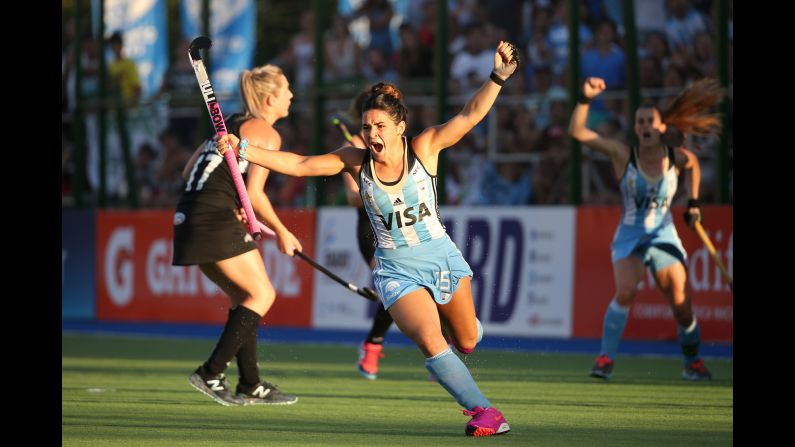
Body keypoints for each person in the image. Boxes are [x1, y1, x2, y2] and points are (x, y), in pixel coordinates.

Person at [219, 40, 520, 437]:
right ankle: (485, 411)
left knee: (465, 339)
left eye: (379, 126)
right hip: (396, 269)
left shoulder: (425, 147)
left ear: (399, 127)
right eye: (366, 127)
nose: (371, 133)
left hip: (441, 257)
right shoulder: (354, 160)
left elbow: (470, 114)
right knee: (431, 340)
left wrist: (498, 77)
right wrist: (243, 147)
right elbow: (299, 164)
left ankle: (464, 336)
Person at [568, 76, 722, 381]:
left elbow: (693, 165)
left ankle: (693, 362)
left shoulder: (675, 157)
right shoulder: (623, 154)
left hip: (663, 234)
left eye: (650, 121)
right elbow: (577, 132)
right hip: (630, 236)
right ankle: (605, 359)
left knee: (681, 304)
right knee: (625, 291)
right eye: (640, 122)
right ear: (636, 128)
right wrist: (585, 99)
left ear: (662, 127)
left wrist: (693, 202)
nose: (645, 126)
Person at [172, 64, 303, 406]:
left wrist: (234, 197)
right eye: (287, 88)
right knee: (262, 295)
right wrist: (283, 232)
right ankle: (211, 372)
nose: (291, 95)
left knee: (244, 298)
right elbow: (256, 195)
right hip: (214, 216)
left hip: (191, 214)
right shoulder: (267, 134)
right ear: (272, 98)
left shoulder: (230, 122)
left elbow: (190, 171)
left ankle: (250, 382)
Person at [332, 88, 394, 380]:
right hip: (371, 230)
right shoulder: (356, 147)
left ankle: (438, 343)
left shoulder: (396, 144)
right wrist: (375, 192)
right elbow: (352, 197)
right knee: (393, 290)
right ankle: (372, 345)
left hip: (399, 226)